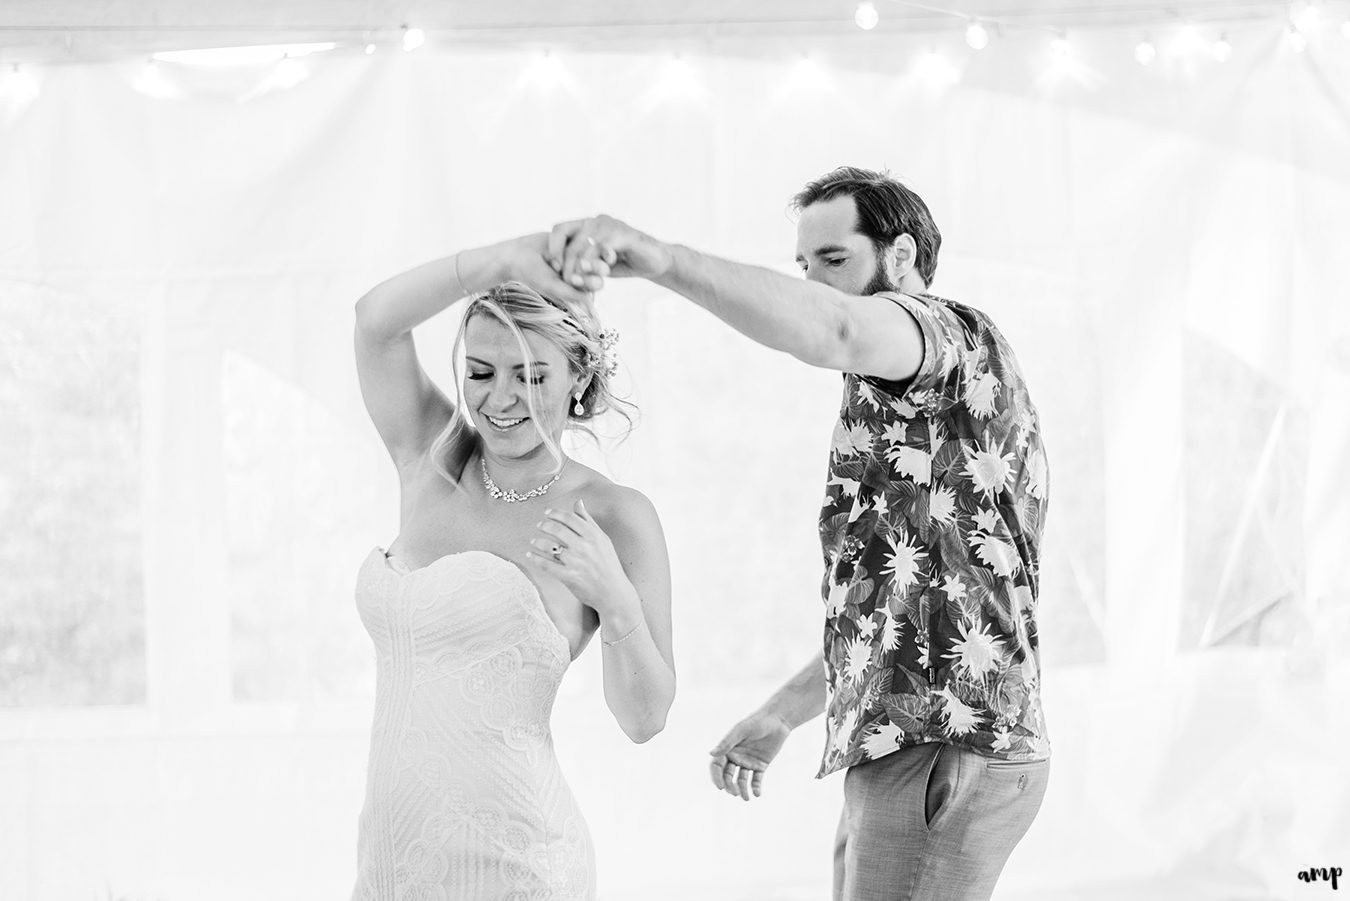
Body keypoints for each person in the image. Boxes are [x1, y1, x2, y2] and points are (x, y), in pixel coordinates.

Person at [546, 167, 1051, 901]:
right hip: (921, 748)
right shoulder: (908, 409)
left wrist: (660, 258)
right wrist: (782, 713)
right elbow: (904, 614)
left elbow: (835, 325)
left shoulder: (948, 335)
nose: (813, 282)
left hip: (946, 750)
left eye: (835, 261)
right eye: (803, 267)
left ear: (902, 257)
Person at [350, 233, 676, 901]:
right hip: (391, 862)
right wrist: (493, 262)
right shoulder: (431, 457)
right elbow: (374, 320)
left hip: (518, 865)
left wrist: (614, 599)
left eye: (531, 375)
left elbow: (645, 718)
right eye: (481, 372)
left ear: (578, 378)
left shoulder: (615, 514)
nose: (500, 399)